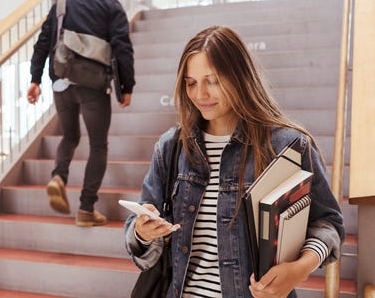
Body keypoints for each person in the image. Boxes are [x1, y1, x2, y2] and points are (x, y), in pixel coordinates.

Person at [124, 26, 344, 298]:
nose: (200, 94)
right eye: (191, 83)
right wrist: (143, 232)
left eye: (213, 81)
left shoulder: (287, 146)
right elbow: (143, 243)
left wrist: (300, 268)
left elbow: (328, 223)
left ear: (239, 77)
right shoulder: (171, 147)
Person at [27, 0, 135, 227]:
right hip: (93, 87)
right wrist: (126, 87)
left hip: (61, 83)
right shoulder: (112, 6)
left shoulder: (63, 4)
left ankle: (58, 177)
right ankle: (86, 209)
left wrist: (35, 80)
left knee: (70, 136)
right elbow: (122, 48)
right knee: (98, 146)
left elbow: (43, 43)